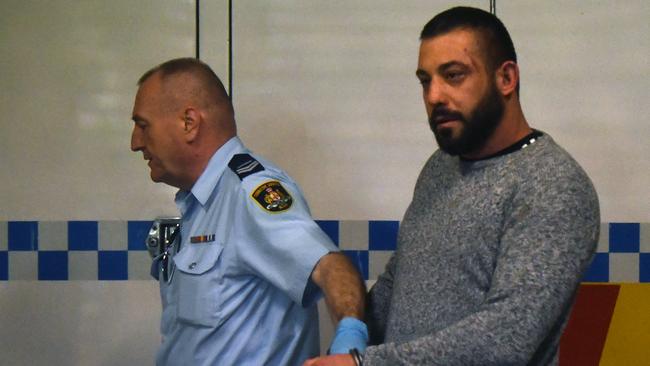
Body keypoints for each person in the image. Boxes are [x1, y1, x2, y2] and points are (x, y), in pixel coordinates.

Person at [305, 6, 599, 366]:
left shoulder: (553, 183)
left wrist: (366, 364)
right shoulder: (440, 167)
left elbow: (507, 336)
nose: (433, 96)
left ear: (506, 78)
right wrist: (353, 333)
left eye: (453, 75)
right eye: (425, 80)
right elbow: (401, 283)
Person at [130, 58, 369, 365]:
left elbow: (330, 267)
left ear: (189, 123)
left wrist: (350, 344)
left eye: (142, 125)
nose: (135, 143)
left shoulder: (248, 193)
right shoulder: (197, 204)